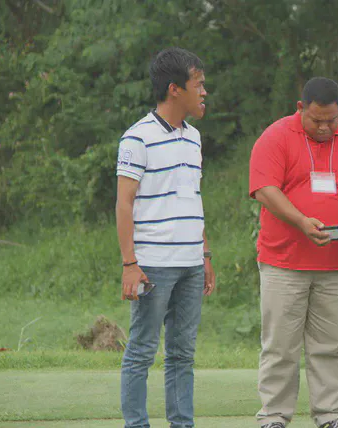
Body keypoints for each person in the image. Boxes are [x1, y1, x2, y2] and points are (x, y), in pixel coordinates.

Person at [249, 77, 338, 428]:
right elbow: (264, 189)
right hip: (283, 262)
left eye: (331, 120)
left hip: (336, 265)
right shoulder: (276, 136)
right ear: (299, 109)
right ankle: (274, 417)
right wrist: (302, 221)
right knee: (280, 348)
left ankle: (330, 416)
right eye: (315, 120)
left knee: (330, 346)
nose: (323, 127)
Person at [116, 47, 216, 428]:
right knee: (142, 350)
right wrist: (130, 264)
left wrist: (205, 254)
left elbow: (193, 196)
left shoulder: (194, 138)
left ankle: (181, 423)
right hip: (153, 264)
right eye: (199, 85)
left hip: (191, 263)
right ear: (175, 89)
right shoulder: (136, 139)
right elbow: (124, 204)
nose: (204, 92)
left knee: (182, 354)